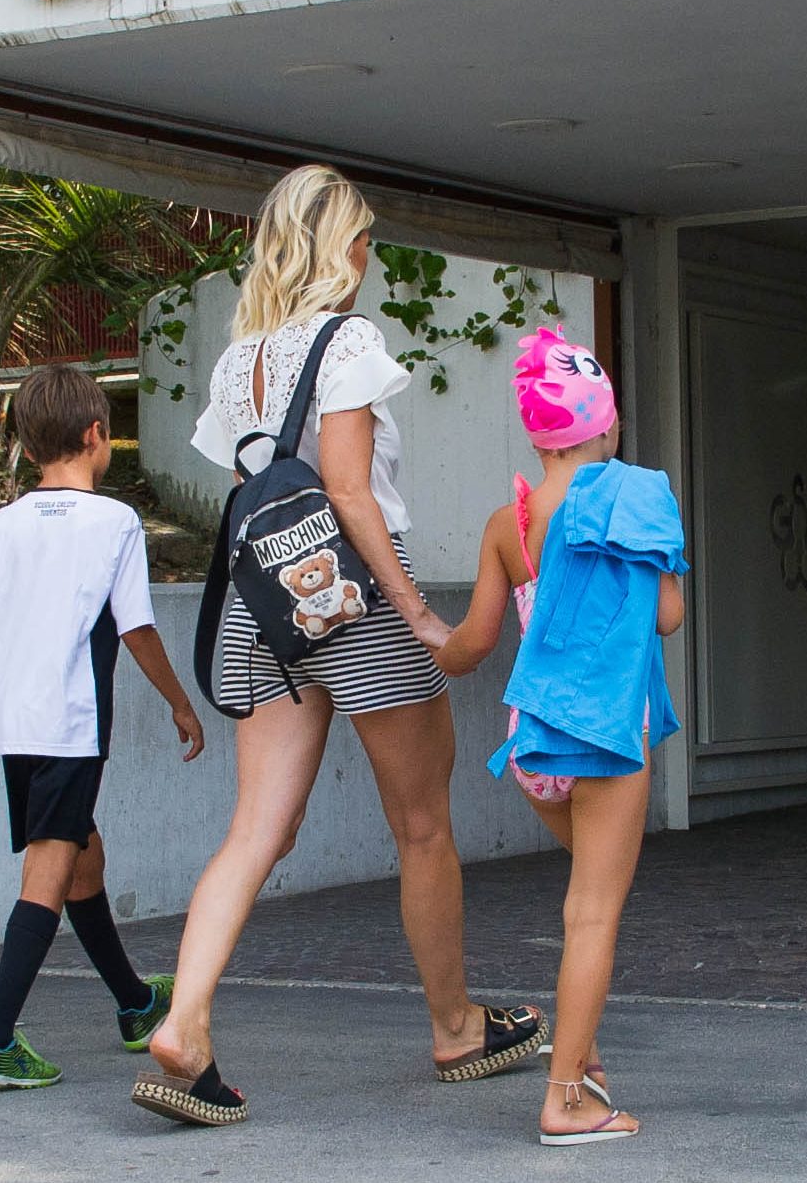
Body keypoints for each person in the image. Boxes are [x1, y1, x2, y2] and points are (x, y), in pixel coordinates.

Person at [132, 164, 544, 1127]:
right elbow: (350, 492)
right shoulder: (348, 338)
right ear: (338, 249)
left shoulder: (242, 360)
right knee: (422, 825)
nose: (367, 259)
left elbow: (242, 484)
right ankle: (454, 1027)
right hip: (352, 594)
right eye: (362, 241)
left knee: (254, 829)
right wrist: (417, 612)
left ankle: (184, 1026)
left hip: (264, 605)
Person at [429, 326, 688, 1146]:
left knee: (584, 901)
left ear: (537, 433)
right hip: (609, 737)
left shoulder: (509, 521)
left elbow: (470, 647)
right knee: (593, 915)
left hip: (534, 743)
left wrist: (416, 625)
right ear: (604, 424)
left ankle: (584, 1052)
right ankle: (566, 1098)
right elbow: (669, 618)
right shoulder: (635, 496)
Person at [0, 365, 206, 1090]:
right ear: (95, 435)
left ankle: (135, 1003)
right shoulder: (114, 522)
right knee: (49, 874)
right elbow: (136, 627)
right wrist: (180, 703)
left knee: (82, 856)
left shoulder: (7, 522)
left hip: (15, 723)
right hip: (71, 723)